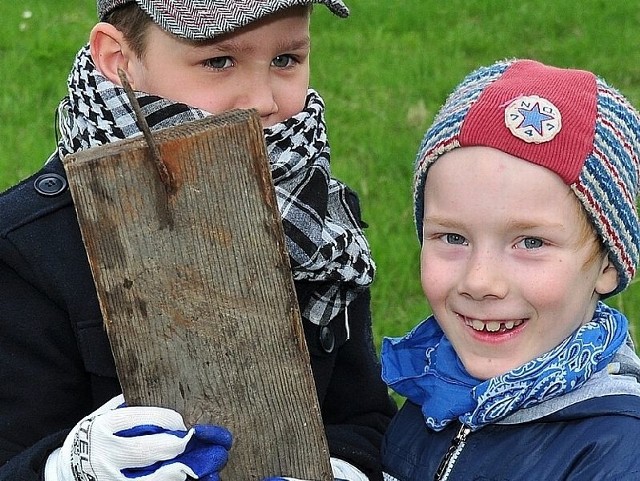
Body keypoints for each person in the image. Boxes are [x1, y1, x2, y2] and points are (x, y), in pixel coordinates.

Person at [0, 1, 397, 480]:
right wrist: (72, 468)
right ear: (117, 59)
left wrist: (343, 471)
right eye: (218, 61)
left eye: (285, 60)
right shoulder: (29, 250)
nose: (263, 100)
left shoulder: (317, 221)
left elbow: (363, 418)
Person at [379, 58, 640, 480]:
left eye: (531, 243)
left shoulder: (617, 451)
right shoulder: (435, 384)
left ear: (608, 263)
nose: (480, 281)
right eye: (453, 238)